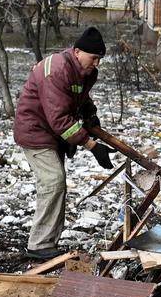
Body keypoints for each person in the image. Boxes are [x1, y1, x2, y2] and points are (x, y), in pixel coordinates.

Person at [12, 26, 116, 259]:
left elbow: (79, 96)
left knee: (57, 184)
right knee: (53, 181)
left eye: (100, 59)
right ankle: (39, 245)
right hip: (35, 130)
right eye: (94, 58)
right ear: (77, 52)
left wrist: (90, 116)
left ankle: (48, 241)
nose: (97, 63)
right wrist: (91, 146)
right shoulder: (57, 70)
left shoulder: (84, 71)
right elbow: (59, 119)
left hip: (52, 132)